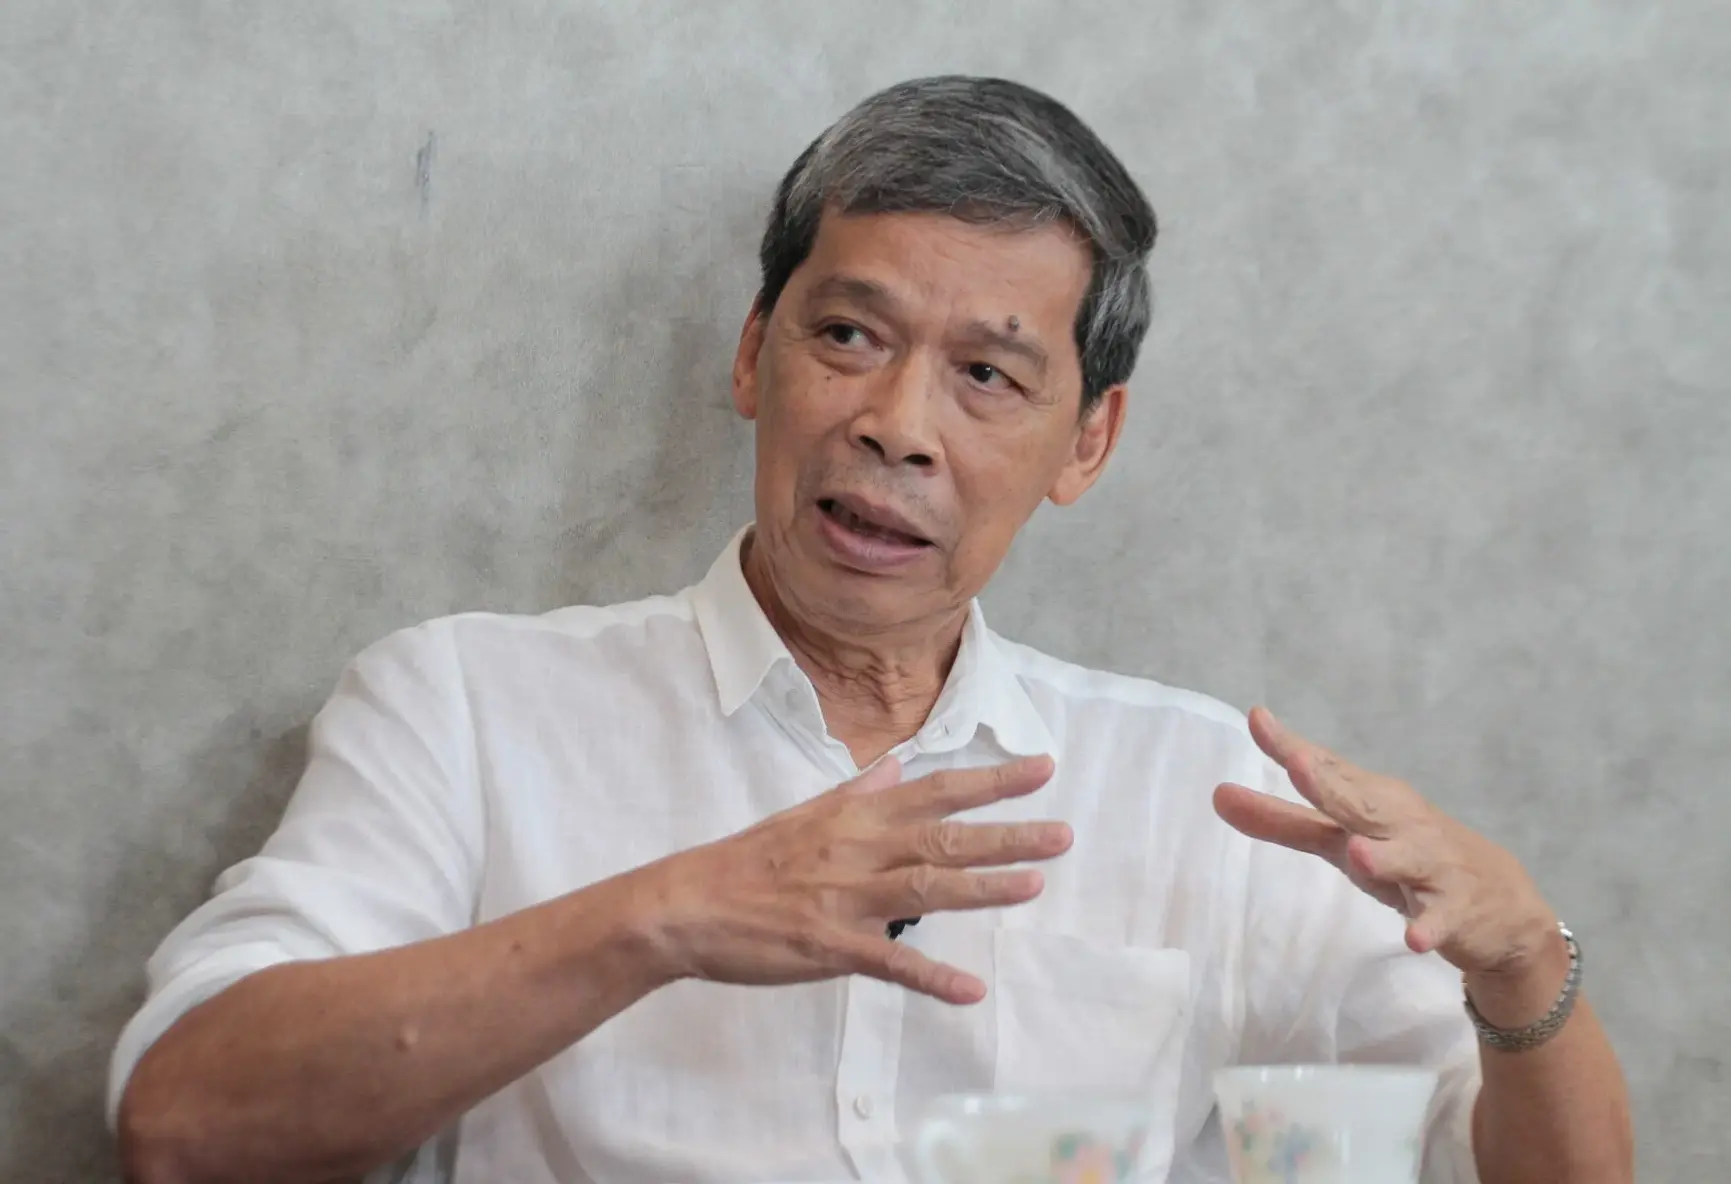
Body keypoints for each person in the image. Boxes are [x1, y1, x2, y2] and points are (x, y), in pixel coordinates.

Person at [110, 75, 1632, 1184]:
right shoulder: (464, 703)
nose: (897, 424)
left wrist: (1521, 974)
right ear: (752, 355)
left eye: (987, 375)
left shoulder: (1213, 800)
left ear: (1087, 442)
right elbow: (187, 1126)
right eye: (849, 335)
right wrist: (663, 916)